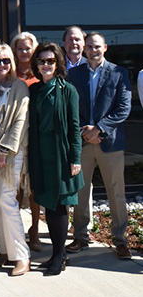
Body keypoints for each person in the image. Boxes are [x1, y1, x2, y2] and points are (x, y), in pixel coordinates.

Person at [66, 32, 132, 260]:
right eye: (89, 47)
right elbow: (69, 108)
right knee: (80, 192)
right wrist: (84, 132)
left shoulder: (119, 73)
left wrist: (99, 129)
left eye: (97, 46)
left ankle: (120, 240)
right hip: (83, 142)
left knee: (116, 192)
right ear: (84, 49)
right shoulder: (74, 74)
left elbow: (123, 108)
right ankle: (81, 237)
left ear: (105, 48)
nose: (93, 50)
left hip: (110, 143)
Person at [28, 42, 83, 276]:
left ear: (58, 62)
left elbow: (74, 127)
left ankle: (59, 256)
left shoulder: (68, 90)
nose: (46, 65)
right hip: (40, 153)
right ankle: (56, 254)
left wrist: (75, 158)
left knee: (60, 205)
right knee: (47, 205)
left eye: (50, 61)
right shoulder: (34, 90)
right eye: (41, 61)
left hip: (61, 153)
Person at [0, 45, 30, 276]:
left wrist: (5, 150)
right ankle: (5, 251)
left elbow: (21, 120)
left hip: (10, 152)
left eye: (6, 61)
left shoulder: (19, 86)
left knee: (8, 200)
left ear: (11, 63)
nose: (1, 65)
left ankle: (21, 255)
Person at [10, 31, 41, 251]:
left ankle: (35, 230)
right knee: (16, 188)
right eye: (19, 48)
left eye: (27, 48)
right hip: (16, 139)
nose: (23, 52)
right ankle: (18, 231)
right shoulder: (11, 75)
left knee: (33, 188)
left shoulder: (41, 72)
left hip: (37, 137)